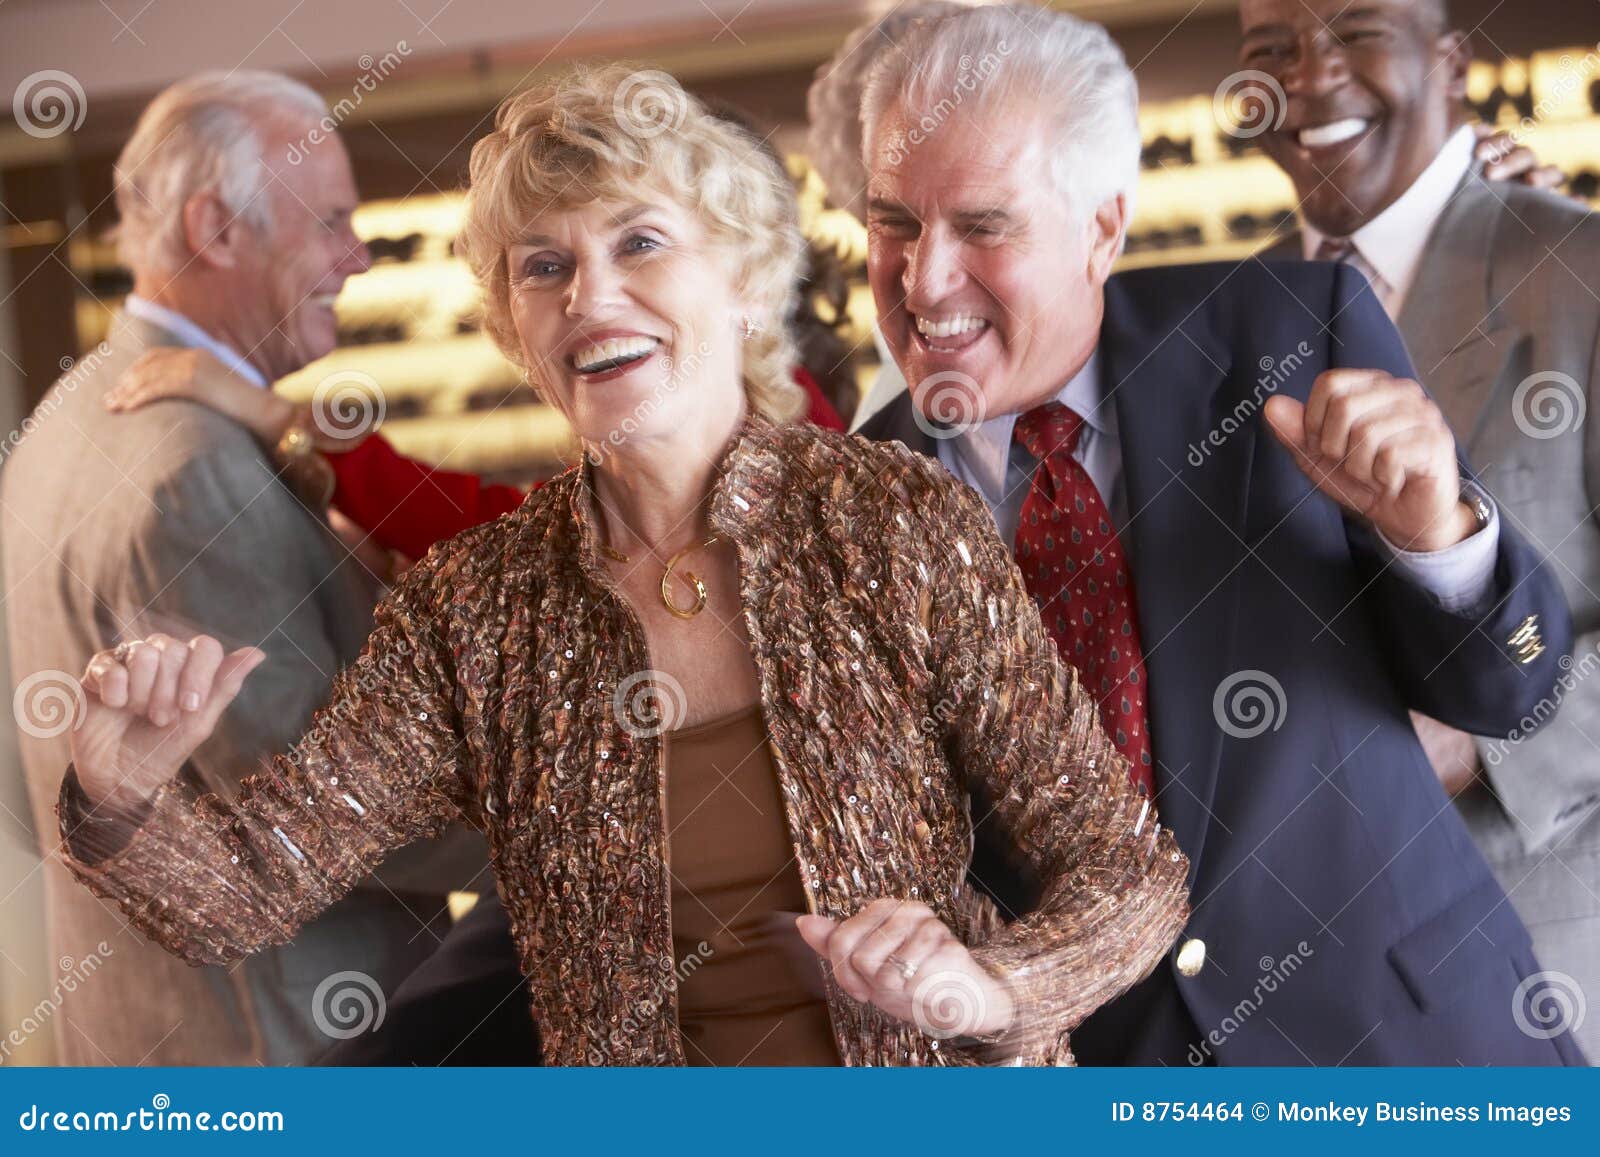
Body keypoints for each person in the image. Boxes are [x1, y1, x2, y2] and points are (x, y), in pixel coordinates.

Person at [52, 64, 1190, 1067]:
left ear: (742, 280)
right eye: (542, 264)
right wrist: (118, 796)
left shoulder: (892, 521)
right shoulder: (477, 610)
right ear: (516, 327)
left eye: (639, 241)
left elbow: (1126, 871)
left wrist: (997, 987)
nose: (588, 296)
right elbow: (248, 887)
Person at [852, 3, 1582, 1065]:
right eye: (895, 223)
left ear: (1102, 225)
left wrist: (1438, 532)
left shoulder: (1288, 331)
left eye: (981, 226)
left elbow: (1512, 693)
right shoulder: (844, 502)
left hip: (1413, 1046)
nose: (923, 281)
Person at [0, 71, 487, 1066]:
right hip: (285, 1052)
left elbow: (25, 789)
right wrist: (595, 819)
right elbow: (323, 811)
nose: (357, 255)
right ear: (217, 228)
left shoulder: (64, 419)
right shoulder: (193, 473)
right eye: (332, 224)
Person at [1246, 0, 1600, 1062]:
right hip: (1303, 1017)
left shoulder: (1580, 273)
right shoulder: (1227, 320)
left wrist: (1471, 742)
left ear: (1447, 60)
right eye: (1270, 51)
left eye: (1354, 32)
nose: (1308, 76)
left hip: (1553, 974)